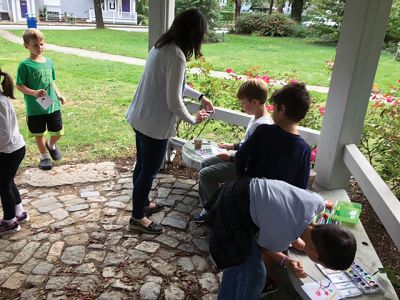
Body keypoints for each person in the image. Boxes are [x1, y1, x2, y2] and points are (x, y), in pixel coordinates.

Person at [126, 9, 214, 234]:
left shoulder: (161, 46)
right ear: (194, 33)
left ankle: (143, 204)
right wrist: (193, 119)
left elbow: (177, 85)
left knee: (142, 166)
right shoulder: (176, 55)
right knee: (149, 171)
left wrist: (200, 97)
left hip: (140, 117)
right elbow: (174, 100)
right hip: (154, 125)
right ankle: (137, 217)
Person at [208, 178, 356, 300]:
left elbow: (292, 231)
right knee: (255, 272)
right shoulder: (281, 235)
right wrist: (285, 260)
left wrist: (295, 253)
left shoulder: (316, 202)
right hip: (232, 207)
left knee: (239, 265)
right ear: (316, 256)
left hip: (242, 186)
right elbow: (262, 246)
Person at [195, 79, 273, 223]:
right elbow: (247, 144)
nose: (242, 106)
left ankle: (216, 213)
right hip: (238, 157)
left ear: (255, 102)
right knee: (205, 163)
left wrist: (229, 158)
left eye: (244, 103)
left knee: (205, 175)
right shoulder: (256, 118)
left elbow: (252, 156)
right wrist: (231, 146)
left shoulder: (263, 126)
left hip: (245, 167)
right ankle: (209, 204)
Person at [235, 82, 312, 189]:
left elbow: (240, 156)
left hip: (252, 195)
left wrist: (241, 182)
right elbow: (301, 186)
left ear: (282, 109)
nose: (272, 112)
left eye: (274, 107)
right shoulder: (304, 149)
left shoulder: (263, 131)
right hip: (279, 202)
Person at [16, 29, 65, 171]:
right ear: (27, 46)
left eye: (41, 44)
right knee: (39, 133)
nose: (39, 48)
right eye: (35, 45)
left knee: (58, 131)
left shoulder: (49, 62)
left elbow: (52, 81)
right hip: (35, 108)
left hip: (52, 104)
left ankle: (51, 145)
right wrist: (34, 92)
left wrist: (58, 94)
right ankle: (44, 156)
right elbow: (19, 85)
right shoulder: (25, 65)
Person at [0, 69, 28, 236]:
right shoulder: (2, 98)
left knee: (3, 185)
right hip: (13, 149)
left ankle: (10, 222)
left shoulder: (0, 102)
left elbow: (4, 134)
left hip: (8, 151)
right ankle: (19, 212)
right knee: (7, 181)